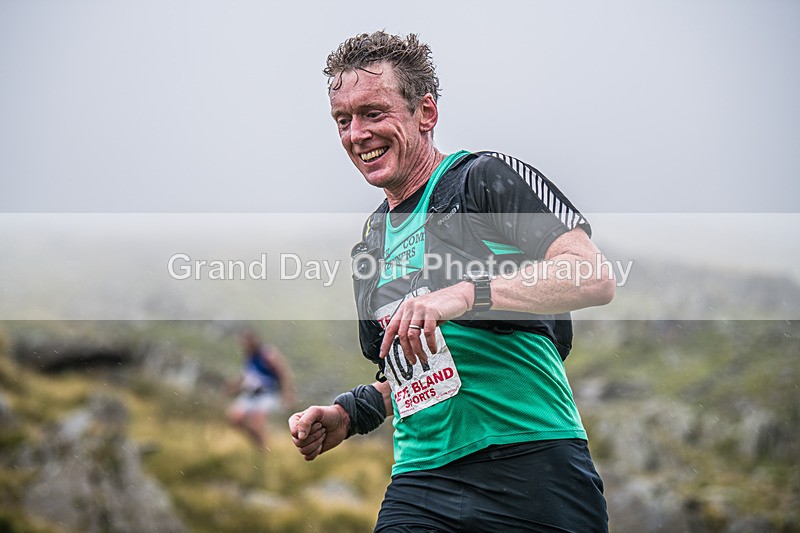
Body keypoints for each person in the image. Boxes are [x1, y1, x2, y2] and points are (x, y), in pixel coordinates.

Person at [289, 31, 616, 532]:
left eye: (373, 113)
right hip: (421, 482)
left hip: (532, 466)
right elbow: (423, 370)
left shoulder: (482, 179)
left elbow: (592, 275)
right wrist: (353, 413)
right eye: (343, 119)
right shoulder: (372, 243)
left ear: (426, 112)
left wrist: (465, 294)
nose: (357, 134)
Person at [227, 330, 293, 450]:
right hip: (250, 394)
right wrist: (232, 386)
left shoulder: (267, 354)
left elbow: (283, 373)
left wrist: (287, 394)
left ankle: (264, 448)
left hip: (266, 394)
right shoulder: (249, 358)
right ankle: (259, 443)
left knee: (257, 424)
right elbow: (246, 376)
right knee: (235, 419)